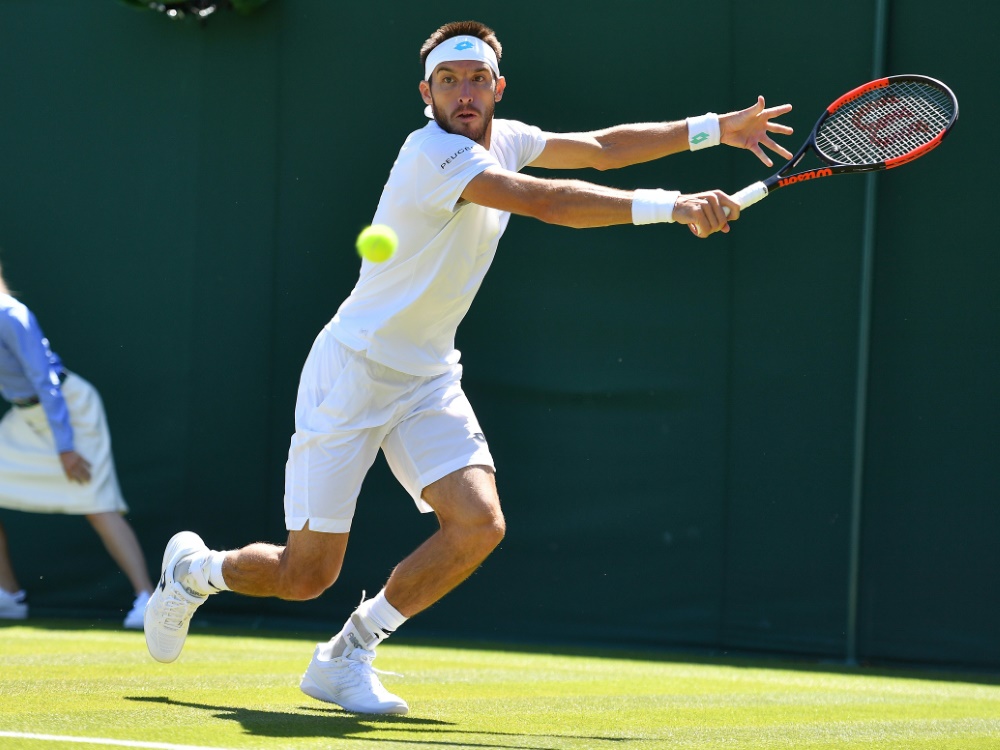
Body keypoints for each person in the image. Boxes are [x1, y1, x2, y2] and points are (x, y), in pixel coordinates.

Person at [143, 20, 794, 714]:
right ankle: (194, 571)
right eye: (447, 81)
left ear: (497, 87)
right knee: (305, 575)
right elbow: (547, 200)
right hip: (353, 372)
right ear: (426, 93)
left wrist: (713, 128)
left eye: (476, 79)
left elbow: (603, 149)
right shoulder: (431, 155)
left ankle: (348, 653)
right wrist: (676, 207)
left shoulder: (508, 137)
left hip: (426, 378)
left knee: (479, 524)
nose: (463, 93)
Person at [0, 262, 153, 627]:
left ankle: (148, 598)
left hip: (70, 409)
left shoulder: (11, 315)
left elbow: (45, 380)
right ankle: (9, 595)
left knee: (98, 507)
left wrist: (65, 446)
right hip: (25, 417)